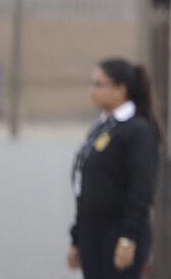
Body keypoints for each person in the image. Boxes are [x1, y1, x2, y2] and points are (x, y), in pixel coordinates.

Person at [67, 58, 160, 279]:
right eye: (92, 84)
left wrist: (128, 237)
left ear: (120, 89)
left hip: (118, 234)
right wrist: (77, 238)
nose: (93, 91)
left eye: (99, 85)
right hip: (93, 232)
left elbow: (142, 188)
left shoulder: (137, 130)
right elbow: (85, 186)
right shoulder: (101, 127)